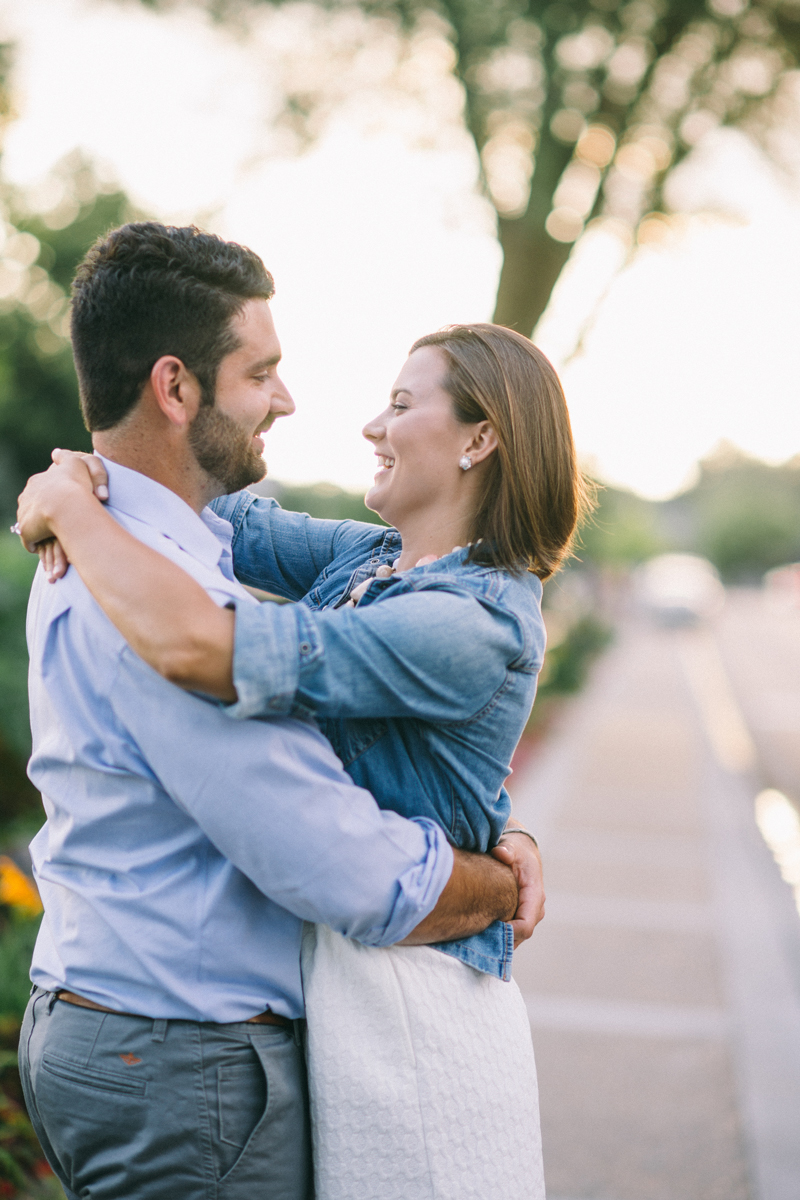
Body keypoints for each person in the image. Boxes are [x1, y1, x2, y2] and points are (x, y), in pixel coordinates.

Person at [14, 222, 543, 1200]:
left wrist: (78, 488)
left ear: (481, 438)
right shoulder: (148, 587)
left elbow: (234, 544)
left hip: (147, 1031)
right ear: (176, 388)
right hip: (181, 1059)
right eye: (262, 374)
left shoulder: (131, 550)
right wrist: (497, 885)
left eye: (397, 403)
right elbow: (344, 866)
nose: (295, 403)